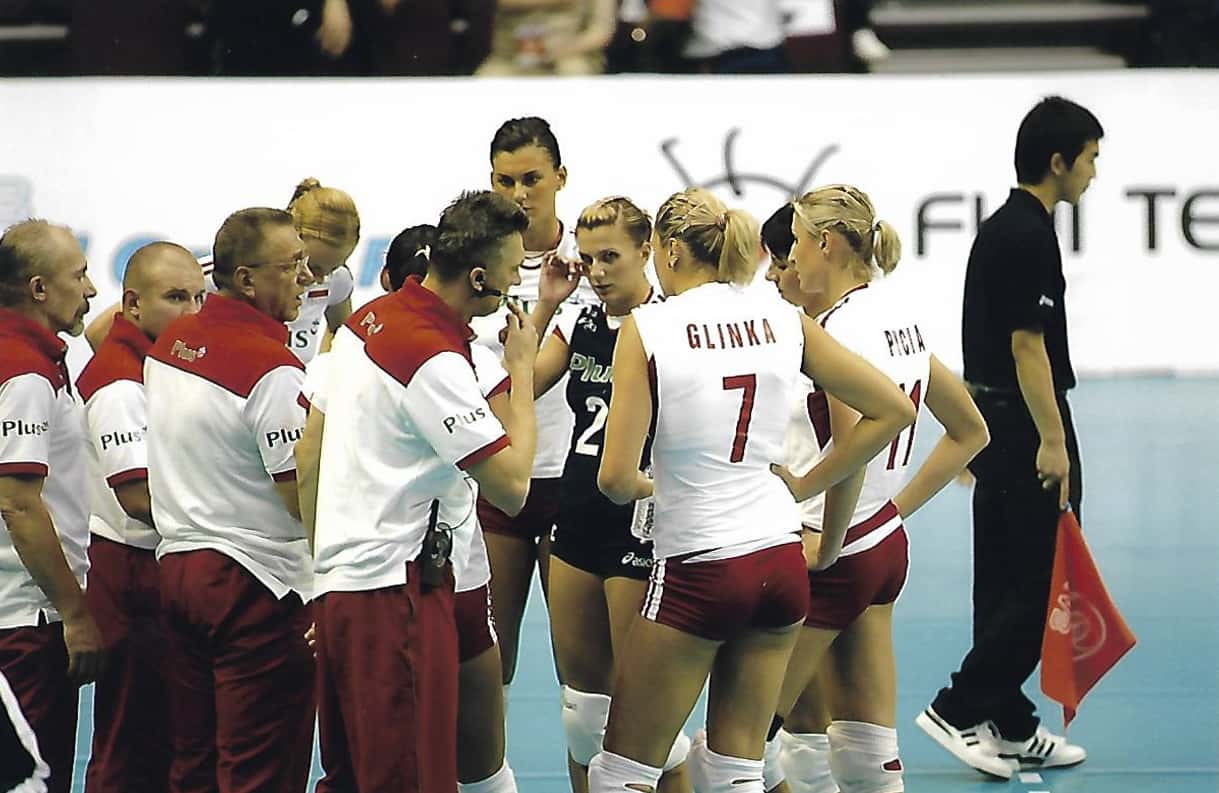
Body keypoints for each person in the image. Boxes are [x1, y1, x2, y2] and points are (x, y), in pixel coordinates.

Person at [587, 188, 915, 793]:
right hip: (779, 558)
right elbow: (893, 409)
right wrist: (807, 485)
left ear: (671, 251)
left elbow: (613, 479)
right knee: (734, 768)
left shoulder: (648, 327)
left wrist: (658, 487)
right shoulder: (782, 317)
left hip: (700, 562)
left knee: (620, 773)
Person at [310, 191, 539, 793]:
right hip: (396, 597)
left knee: (352, 778)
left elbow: (311, 453)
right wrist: (522, 369)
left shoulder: (364, 322)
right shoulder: (431, 357)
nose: (517, 284)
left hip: (345, 585)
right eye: (513, 270)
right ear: (480, 279)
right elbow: (513, 487)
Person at [763, 189, 989, 793]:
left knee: (742, 744)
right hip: (882, 545)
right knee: (866, 750)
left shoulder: (836, 333)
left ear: (824, 244)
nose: (790, 260)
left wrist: (825, 529)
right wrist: (891, 513)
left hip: (833, 548)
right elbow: (970, 432)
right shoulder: (899, 317)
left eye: (796, 245)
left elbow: (853, 447)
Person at [918, 96, 1102, 776]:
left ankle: (1007, 718)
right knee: (1041, 579)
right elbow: (1028, 347)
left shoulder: (1002, 226)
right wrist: (1052, 441)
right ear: (1057, 161)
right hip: (1025, 425)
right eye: (1089, 159)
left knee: (1000, 578)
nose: (1093, 173)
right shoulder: (1028, 235)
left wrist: (976, 431)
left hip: (995, 420)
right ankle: (960, 705)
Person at [145, 208, 315, 793]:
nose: (307, 276)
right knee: (260, 771)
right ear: (245, 279)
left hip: (179, 571)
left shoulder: (171, 341)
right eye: (291, 265)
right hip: (256, 584)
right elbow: (300, 499)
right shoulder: (273, 369)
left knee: (193, 764)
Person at [527, 197, 690, 793]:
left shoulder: (673, 327)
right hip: (576, 516)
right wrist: (547, 305)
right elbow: (519, 385)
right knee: (583, 715)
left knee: (644, 717)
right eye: (589, 259)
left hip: (640, 525)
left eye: (610, 258)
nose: (597, 272)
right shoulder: (580, 323)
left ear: (647, 251)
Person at [76, 241, 206, 793]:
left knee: (167, 737)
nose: (192, 312)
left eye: (199, 298)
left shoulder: (158, 365)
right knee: (131, 743)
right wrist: (219, 523)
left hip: (154, 567)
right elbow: (137, 497)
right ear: (131, 304)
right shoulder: (119, 383)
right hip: (131, 572)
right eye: (176, 298)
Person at [475, 116, 599, 692]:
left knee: (584, 679)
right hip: (496, 481)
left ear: (560, 177)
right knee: (488, 667)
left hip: (573, 481)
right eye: (505, 181)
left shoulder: (595, 259)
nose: (519, 194)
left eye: (532, 179)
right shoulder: (473, 266)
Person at [0, 219, 103, 793]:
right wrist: (76, 612)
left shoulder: (30, 359)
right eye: (79, 275)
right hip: (24, 619)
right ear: (39, 289)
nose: (90, 289)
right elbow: (18, 504)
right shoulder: (25, 375)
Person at [84, 178, 359, 367]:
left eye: (331, 269)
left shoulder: (337, 282)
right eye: (306, 263)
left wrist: (321, 390)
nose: (313, 279)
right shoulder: (207, 278)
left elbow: (344, 339)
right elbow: (100, 332)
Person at [477, 0, 617, 75]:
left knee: (574, 74)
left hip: (570, 57)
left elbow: (601, 31)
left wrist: (561, 50)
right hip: (509, 58)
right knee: (487, 82)